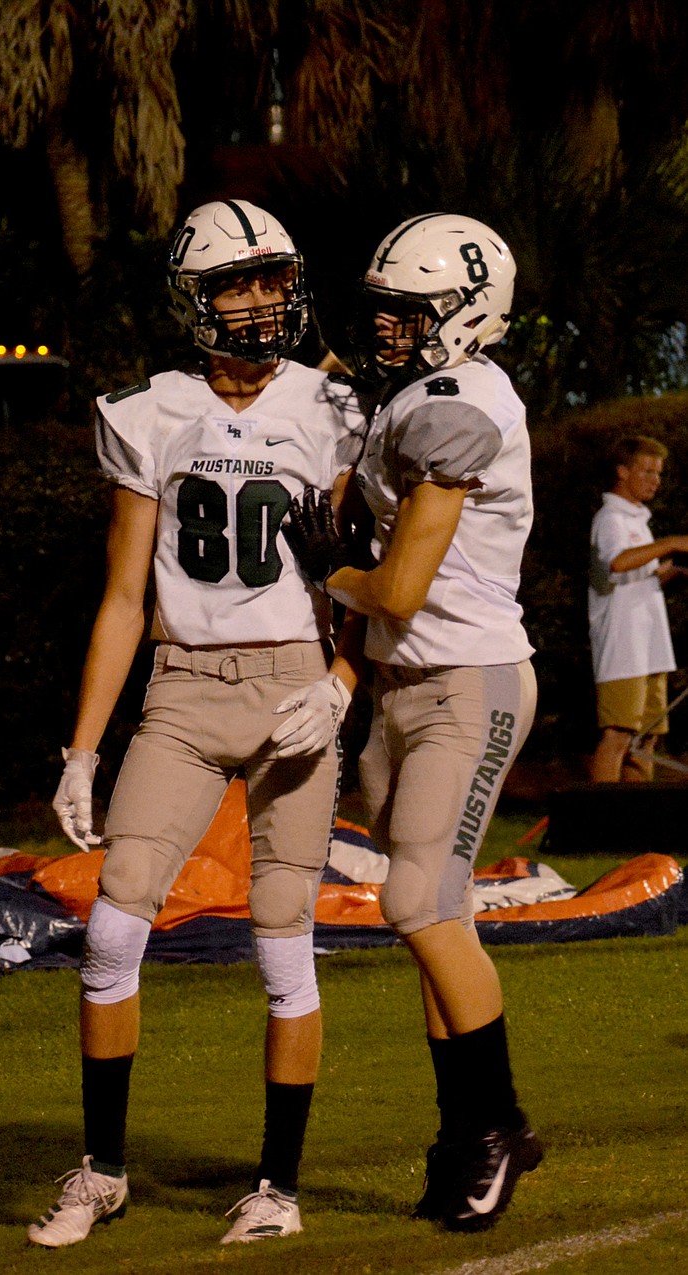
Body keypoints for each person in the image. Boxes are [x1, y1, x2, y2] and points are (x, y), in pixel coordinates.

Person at [28, 198, 366, 1249]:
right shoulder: (149, 410)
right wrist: (84, 746)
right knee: (114, 921)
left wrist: (343, 684)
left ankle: (277, 1187)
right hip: (180, 688)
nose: (265, 300)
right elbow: (124, 597)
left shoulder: (337, 407)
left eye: (275, 279)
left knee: (282, 944)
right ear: (198, 298)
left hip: (294, 688)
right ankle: (102, 1171)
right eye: (241, 282)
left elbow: (366, 582)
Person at [285, 213, 543, 1231]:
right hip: (406, 691)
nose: (388, 328)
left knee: (415, 901)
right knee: (439, 916)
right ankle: (461, 1127)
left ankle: (499, 1125)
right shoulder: (416, 394)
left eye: (408, 311)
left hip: (467, 684)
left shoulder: (463, 404)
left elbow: (393, 588)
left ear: (465, 314)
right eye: (384, 309)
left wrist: (325, 573)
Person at [588, 435, 688, 783]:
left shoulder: (637, 521)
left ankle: (634, 828)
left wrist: (663, 573)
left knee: (647, 739)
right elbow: (617, 562)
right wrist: (673, 542)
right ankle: (600, 827)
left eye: (658, 473)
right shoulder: (611, 518)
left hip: (651, 648)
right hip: (623, 650)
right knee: (618, 736)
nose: (654, 480)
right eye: (646, 471)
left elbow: (631, 573)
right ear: (622, 471)